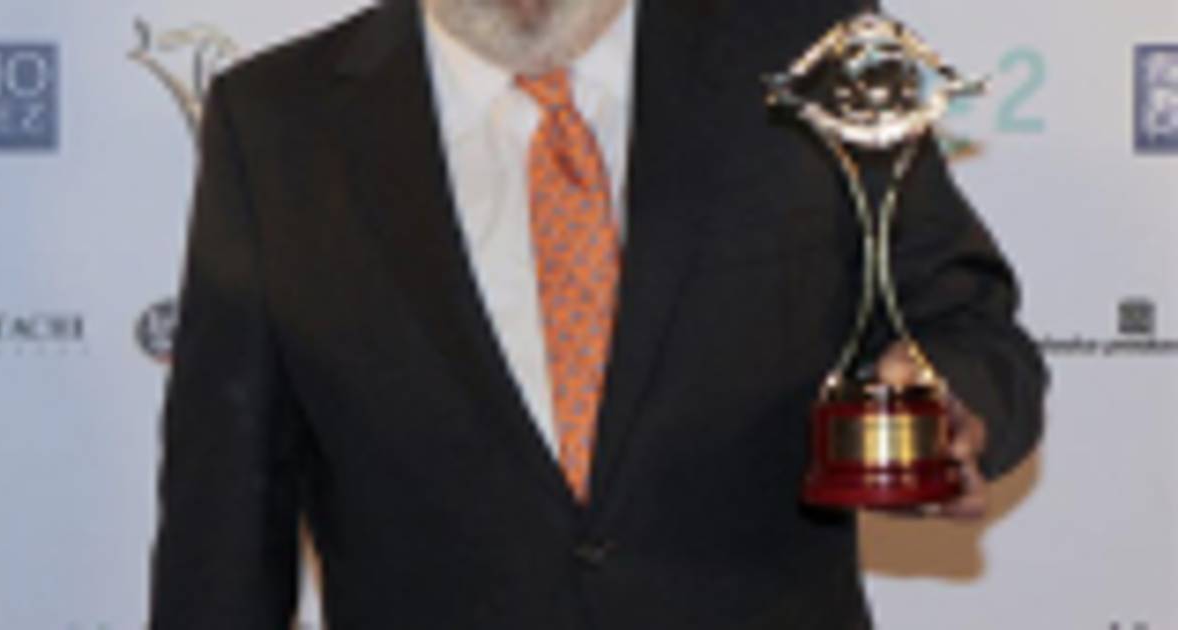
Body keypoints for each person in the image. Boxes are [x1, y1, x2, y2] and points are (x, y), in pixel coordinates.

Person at [148, 0, 1047, 628]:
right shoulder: (278, 124)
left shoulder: (812, 56)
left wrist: (951, 408)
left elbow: (965, 319)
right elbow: (224, 513)